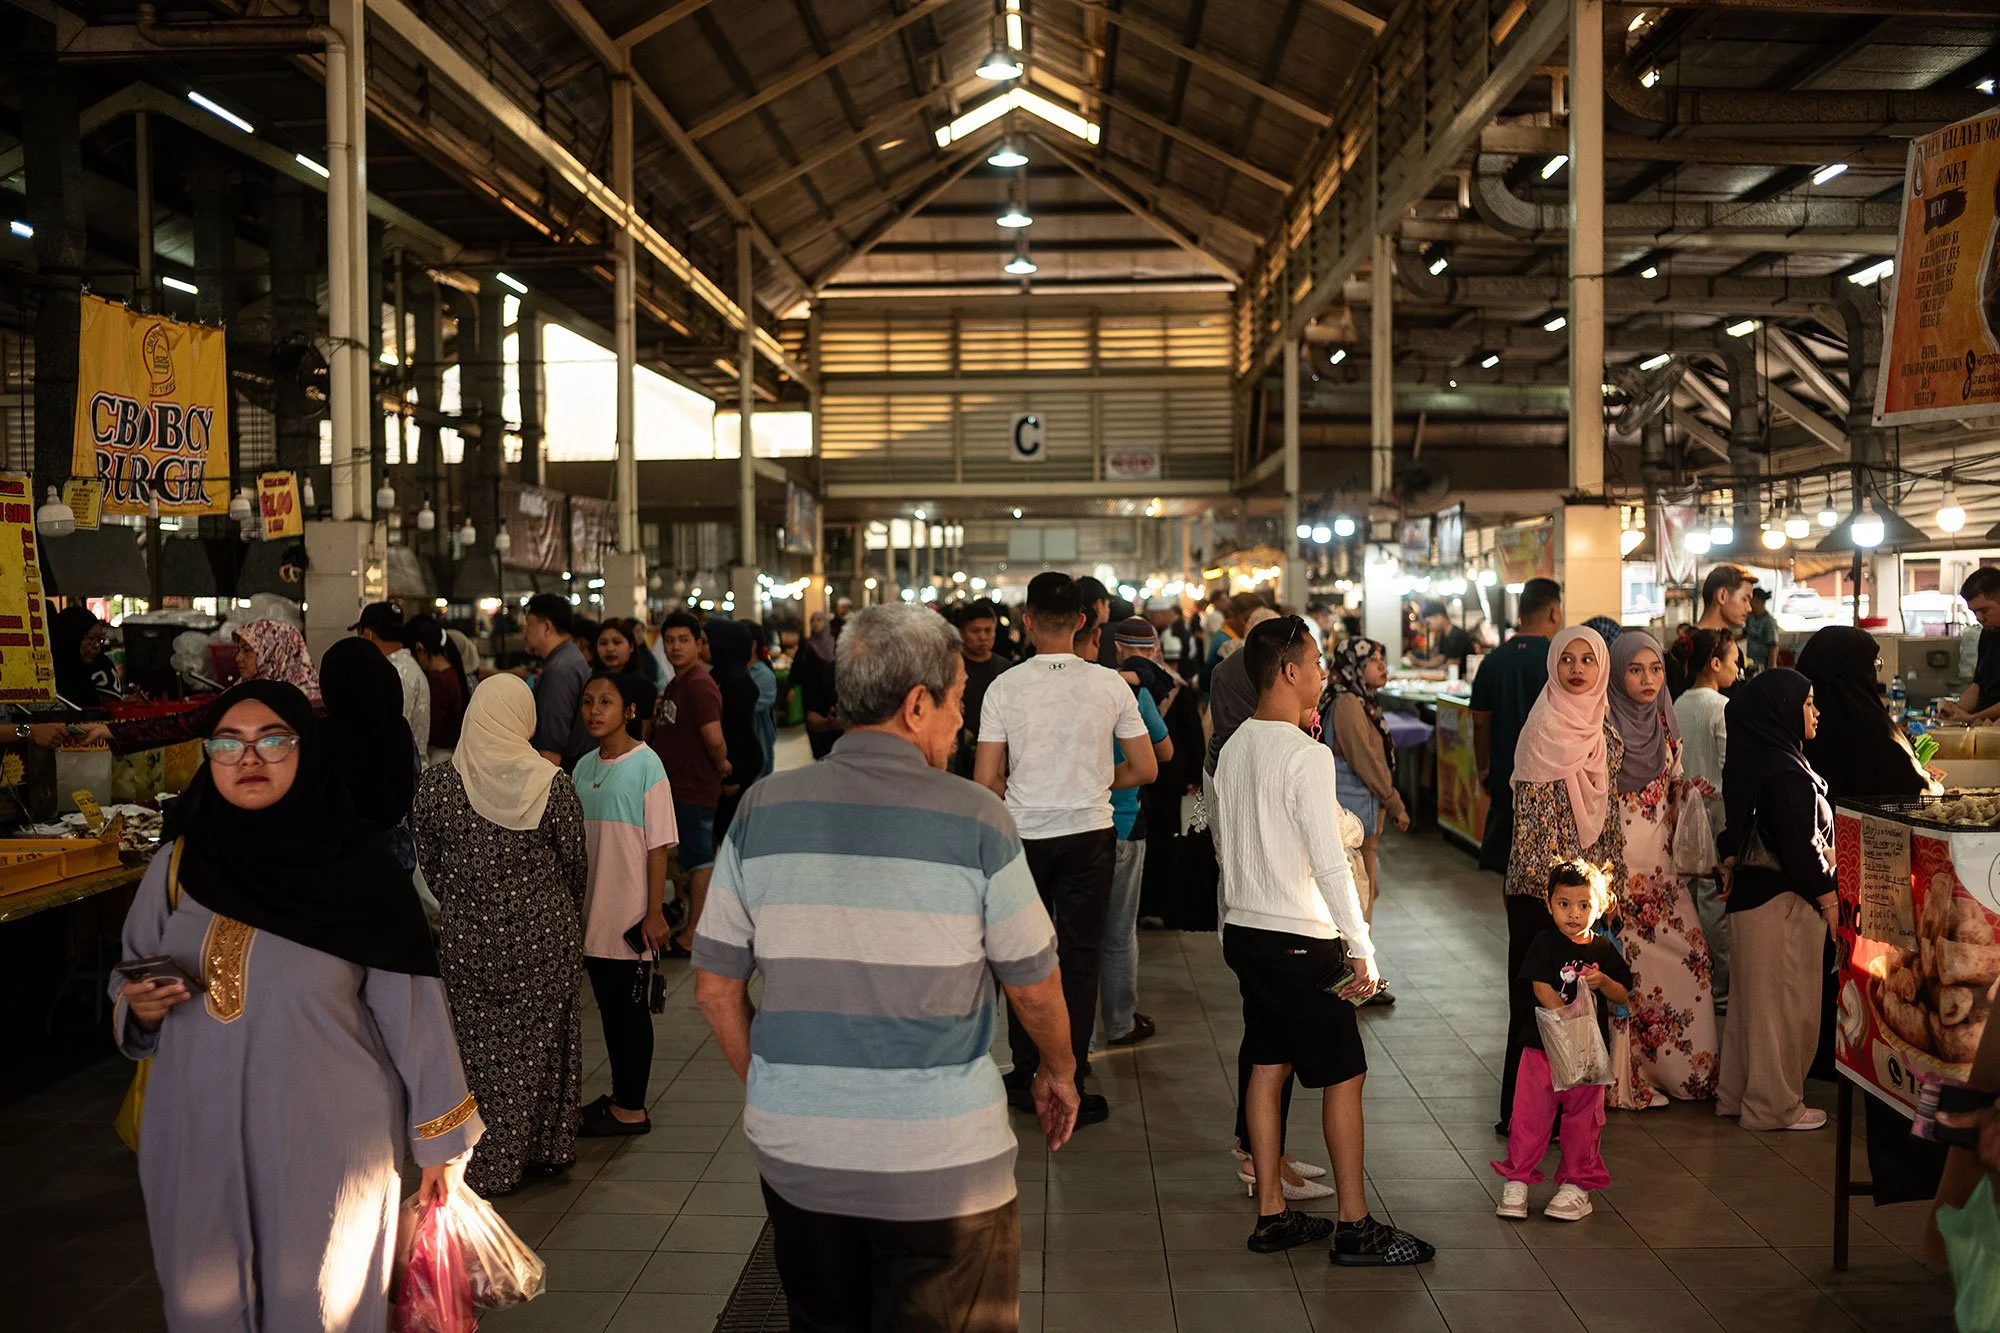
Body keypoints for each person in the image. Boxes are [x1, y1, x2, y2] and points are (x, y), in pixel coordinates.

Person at [691, 605, 1079, 1333]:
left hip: (798, 1157)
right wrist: (1058, 1070)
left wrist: (788, 1086)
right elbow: (1034, 986)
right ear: (917, 703)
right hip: (941, 1166)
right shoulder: (978, 820)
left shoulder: (762, 810)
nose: (962, 723)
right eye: (960, 700)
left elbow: (714, 988)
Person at [112, 680, 480, 1328]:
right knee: (205, 1306)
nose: (249, 757)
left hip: (327, 1150)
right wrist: (135, 1005)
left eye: (271, 740)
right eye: (229, 742)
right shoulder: (178, 863)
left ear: (305, 750)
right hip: (196, 1136)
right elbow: (128, 969)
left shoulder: (361, 873)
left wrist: (442, 1147)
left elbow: (415, 1015)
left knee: (319, 1305)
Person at [1217, 616, 1436, 1265]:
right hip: (1298, 939)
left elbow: (1225, 847)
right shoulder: (1305, 755)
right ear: (1289, 671)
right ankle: (1355, 1222)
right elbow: (1330, 860)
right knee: (1345, 1073)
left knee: (1266, 1062)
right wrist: (1361, 944)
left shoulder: (1232, 748)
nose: (1320, 673)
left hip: (1246, 932)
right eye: (1314, 662)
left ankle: (1272, 1215)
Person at [975, 573, 1156, 1126]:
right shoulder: (1111, 686)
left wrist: (1028, 790)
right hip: (1090, 836)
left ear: (1026, 621)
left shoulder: (1004, 687)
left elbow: (986, 779)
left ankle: (1026, 1070)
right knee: (1079, 959)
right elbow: (1146, 767)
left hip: (1023, 837)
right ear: (1083, 621)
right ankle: (1068, 1075)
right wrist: (1099, 781)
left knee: (1023, 955)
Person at [413, 674, 588, 1197]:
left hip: (469, 941)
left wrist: (470, 903)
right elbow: (575, 863)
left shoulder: (438, 785)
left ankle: (487, 1153)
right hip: (544, 939)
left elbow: (431, 864)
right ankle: (540, 1149)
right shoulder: (551, 782)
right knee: (542, 1042)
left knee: (481, 1051)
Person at [1796, 625, 1951, 1200]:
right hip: (1879, 879)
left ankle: (1833, 1055)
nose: (1879, 671)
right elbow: (1901, 785)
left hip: (1837, 873)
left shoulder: (1814, 716)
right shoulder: (1865, 722)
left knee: (1837, 970)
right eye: (1873, 661)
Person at [1499, 625, 1625, 1132]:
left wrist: (1606, 889)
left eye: (1587, 660)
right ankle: (1521, 1115)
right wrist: (1565, 893)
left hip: (1584, 898)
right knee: (1536, 1008)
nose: (1576, 669)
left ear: (1600, 669)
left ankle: (1569, 1116)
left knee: (1581, 1004)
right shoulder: (1540, 731)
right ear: (1553, 666)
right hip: (1539, 894)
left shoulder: (1606, 735)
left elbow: (1609, 817)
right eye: (1567, 659)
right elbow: (1533, 826)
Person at [1716, 669, 1837, 1131]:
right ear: (1782, 710)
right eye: (1808, 703)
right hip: (1782, 903)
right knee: (1785, 1009)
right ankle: (1773, 1106)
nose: (1816, 711)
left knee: (1753, 1009)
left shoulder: (1755, 759)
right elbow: (1801, 849)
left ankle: (1739, 1096)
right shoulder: (1786, 772)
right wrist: (1828, 900)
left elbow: (1736, 829)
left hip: (1752, 900)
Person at [1602, 630, 1718, 1109]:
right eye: (1635, 669)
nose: (1648, 680)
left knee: (1693, 963)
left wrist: (1686, 789)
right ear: (1617, 674)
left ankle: (1685, 1075)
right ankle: (1630, 1078)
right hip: (1619, 873)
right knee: (1628, 973)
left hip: (1664, 871)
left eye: (1655, 669)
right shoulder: (1602, 724)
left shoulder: (1666, 721)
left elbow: (1667, 785)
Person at [1492, 860, 1632, 1223]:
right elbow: (1540, 986)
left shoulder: (1602, 949)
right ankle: (1518, 1180)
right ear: (1549, 904)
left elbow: (1623, 992)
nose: (1574, 914)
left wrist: (1604, 983)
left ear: (1599, 905)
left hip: (1587, 1055)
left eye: (1584, 905)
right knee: (1529, 1116)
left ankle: (1576, 1185)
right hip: (1541, 1049)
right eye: (1564, 904)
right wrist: (1565, 1019)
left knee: (1583, 1119)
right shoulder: (1544, 942)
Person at [573, 670, 678, 1137]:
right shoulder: (582, 766)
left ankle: (632, 1107)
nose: (595, 711)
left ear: (630, 711)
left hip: (629, 913)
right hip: (591, 911)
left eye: (607, 702)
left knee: (629, 1012)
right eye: (589, 701)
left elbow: (659, 846)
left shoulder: (647, 765)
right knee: (610, 1009)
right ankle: (620, 1096)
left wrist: (654, 912)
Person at [1092, 616, 1172, 1050]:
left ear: (1117, 648)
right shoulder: (1135, 693)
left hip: (1077, 826)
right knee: (1119, 932)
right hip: (1125, 822)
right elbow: (1164, 752)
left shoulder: (1085, 689)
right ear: (1154, 650)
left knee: (1077, 934)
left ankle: (1077, 1034)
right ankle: (1121, 1022)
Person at [1319, 637, 1409, 945]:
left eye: (1381, 658)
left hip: (1361, 813)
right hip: (1354, 816)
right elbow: (1366, 761)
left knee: (1363, 890)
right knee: (1359, 896)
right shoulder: (1347, 704)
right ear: (1354, 666)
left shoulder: (1359, 700)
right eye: (1372, 660)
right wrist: (1394, 801)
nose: (1381, 665)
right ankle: (1356, 977)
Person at [1470, 579, 1563, 875]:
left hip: (1505, 777)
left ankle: (1514, 921)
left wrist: (1482, 766)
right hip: (1554, 780)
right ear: (1555, 613)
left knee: (1510, 867)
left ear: (1520, 611)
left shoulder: (1493, 662)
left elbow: (1480, 722)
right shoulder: (1559, 661)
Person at [651, 610, 731, 954]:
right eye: (669, 641)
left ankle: (695, 934)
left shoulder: (698, 684)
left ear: (699, 645)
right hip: (678, 786)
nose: (675, 647)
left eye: (684, 640)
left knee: (699, 859)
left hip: (694, 786)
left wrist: (721, 762)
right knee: (690, 858)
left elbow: (713, 737)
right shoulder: (678, 681)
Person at [1674, 627, 1739, 1010]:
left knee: (1691, 898)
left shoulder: (1680, 702)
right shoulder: (1722, 708)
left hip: (1684, 808)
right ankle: (1721, 990)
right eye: (1733, 662)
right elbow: (1729, 768)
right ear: (1714, 664)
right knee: (1716, 899)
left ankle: (1693, 980)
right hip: (1717, 811)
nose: (1736, 670)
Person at [319, 638, 421, 871]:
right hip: (395, 860)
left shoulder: (320, 737)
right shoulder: (399, 730)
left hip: (338, 862)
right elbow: (412, 791)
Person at [704, 619, 767, 848]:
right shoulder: (722, 674)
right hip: (732, 767)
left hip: (737, 769)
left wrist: (733, 777)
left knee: (731, 833)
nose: (701, 647)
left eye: (705, 641)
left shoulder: (737, 681)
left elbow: (736, 732)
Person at [518, 593, 592, 767]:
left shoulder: (559, 670)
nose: (525, 631)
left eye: (529, 624)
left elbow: (552, 748)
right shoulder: (569, 657)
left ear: (547, 627)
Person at [1666, 564, 1757, 698]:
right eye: (1745, 599)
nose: (1749, 608)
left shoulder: (1730, 647)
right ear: (1722, 596)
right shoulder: (1686, 648)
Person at [350, 602, 430, 749]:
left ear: (368, 634)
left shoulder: (388, 674)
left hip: (397, 767)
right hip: (412, 765)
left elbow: (387, 733)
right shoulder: (411, 667)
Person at [951, 600, 1010, 777]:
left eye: (988, 630)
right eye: (975, 631)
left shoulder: (1005, 669)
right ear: (962, 633)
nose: (983, 637)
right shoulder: (953, 668)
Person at [1939, 566, 2000, 721]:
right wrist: (1955, 711)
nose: (1979, 618)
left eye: (1984, 610)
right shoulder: (1988, 634)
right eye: (1974, 612)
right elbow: (1979, 685)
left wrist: (1972, 718)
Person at [406, 615, 467, 762]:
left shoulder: (439, 681)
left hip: (437, 756)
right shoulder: (450, 673)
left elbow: (432, 728)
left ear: (419, 648)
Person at [593, 618, 657, 742]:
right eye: (603, 643)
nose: (610, 648)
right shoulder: (594, 681)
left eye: (617, 642)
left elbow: (643, 735)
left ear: (631, 647)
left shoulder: (642, 684)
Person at [232, 618, 320, 699]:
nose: (238, 658)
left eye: (247, 650)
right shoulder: (240, 690)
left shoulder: (304, 701)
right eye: (238, 650)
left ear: (273, 654)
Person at [794, 609, 841, 761]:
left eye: (819, 621)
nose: (816, 624)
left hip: (831, 689)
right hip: (812, 690)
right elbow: (798, 667)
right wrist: (792, 686)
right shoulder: (807, 644)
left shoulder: (835, 642)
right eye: (813, 621)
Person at [53, 606, 119, 704]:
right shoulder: (48, 672)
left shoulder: (102, 666)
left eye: (99, 640)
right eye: (91, 639)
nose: (97, 646)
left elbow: (110, 706)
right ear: (72, 638)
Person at [741, 621, 780, 781]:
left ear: (752, 645)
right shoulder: (737, 672)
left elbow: (744, 708)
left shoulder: (763, 675)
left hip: (757, 745)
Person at [1202, 592, 1261, 694]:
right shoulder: (1225, 643)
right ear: (1233, 615)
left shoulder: (1235, 636)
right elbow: (1206, 681)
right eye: (1248, 619)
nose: (1254, 624)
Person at [1414, 599, 1475, 674]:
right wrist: (1418, 663)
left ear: (1439, 618)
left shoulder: (1457, 635)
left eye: (1429, 623)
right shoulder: (1443, 635)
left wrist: (1433, 673)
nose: (1429, 627)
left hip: (1462, 680)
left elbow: (1453, 663)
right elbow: (1440, 659)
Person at [1743, 587, 1779, 671]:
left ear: (1757, 601)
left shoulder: (1769, 622)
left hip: (1764, 663)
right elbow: (1746, 633)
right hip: (1751, 661)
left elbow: (1773, 646)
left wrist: (1771, 667)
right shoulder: (1751, 617)